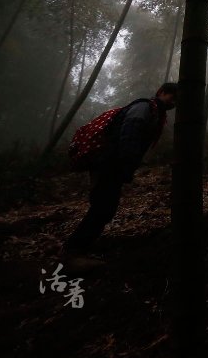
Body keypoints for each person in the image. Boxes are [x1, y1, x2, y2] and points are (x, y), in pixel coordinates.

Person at [62, 83, 177, 267]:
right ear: (162, 92)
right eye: (172, 96)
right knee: (104, 207)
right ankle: (73, 252)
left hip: (110, 163)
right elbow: (129, 134)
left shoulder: (155, 112)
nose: (174, 102)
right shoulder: (145, 107)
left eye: (177, 99)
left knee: (104, 206)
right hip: (109, 163)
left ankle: (80, 247)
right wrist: (126, 165)